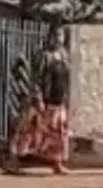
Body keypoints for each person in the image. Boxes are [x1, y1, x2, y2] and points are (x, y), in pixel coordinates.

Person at [8, 30, 71, 175]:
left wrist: (65, 98)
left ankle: (57, 163)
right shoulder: (43, 56)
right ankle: (14, 161)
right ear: (49, 37)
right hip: (43, 101)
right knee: (30, 132)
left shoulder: (63, 55)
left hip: (58, 100)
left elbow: (65, 78)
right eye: (55, 36)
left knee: (59, 134)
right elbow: (35, 79)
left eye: (60, 36)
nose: (58, 39)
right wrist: (38, 98)